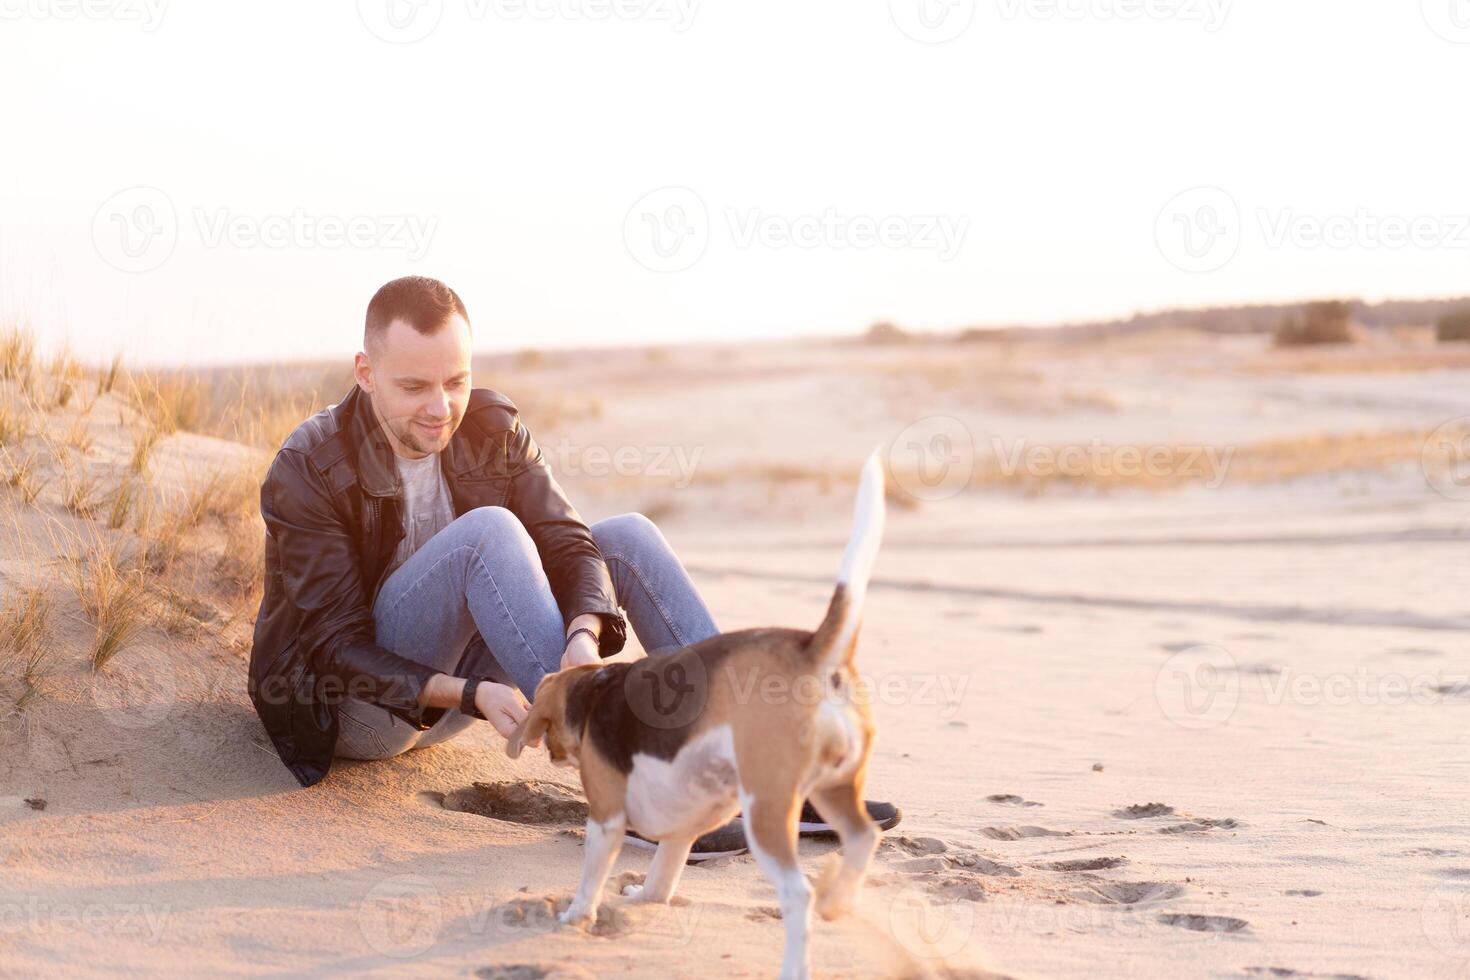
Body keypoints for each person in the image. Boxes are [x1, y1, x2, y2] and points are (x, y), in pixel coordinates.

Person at [247, 275, 899, 858]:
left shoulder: (491, 426)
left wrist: (583, 637)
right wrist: (471, 693)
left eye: (456, 381)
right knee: (489, 534)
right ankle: (630, 792)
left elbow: (567, 539)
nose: (441, 408)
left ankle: (768, 769)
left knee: (627, 537)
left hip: (480, 691)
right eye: (414, 386)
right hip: (359, 711)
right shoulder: (310, 464)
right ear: (365, 371)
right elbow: (334, 648)